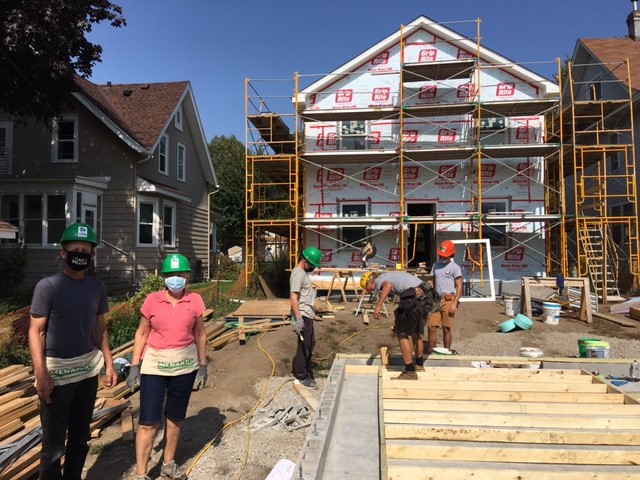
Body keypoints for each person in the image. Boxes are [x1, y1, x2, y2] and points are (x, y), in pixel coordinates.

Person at [29, 222, 118, 480]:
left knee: (80, 438)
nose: (81, 253)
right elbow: (36, 332)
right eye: (75, 248)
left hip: (87, 372)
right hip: (57, 374)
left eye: (86, 249)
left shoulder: (96, 287)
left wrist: (109, 363)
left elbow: (100, 328)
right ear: (63, 253)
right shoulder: (48, 287)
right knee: (54, 446)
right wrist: (41, 374)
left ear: (92, 255)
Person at [127, 253, 208, 480]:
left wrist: (202, 364)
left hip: (184, 365)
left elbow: (200, 333)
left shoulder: (195, 300)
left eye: (179, 274)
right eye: (171, 274)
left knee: (174, 418)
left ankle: (168, 464)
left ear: (187, 276)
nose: (175, 278)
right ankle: (141, 473)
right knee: (148, 422)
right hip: (155, 366)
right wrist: (135, 365)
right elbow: (142, 333)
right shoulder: (152, 300)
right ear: (164, 277)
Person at [361, 270, 427, 380]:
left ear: (370, 282)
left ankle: (410, 372)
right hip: (424, 297)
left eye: (369, 288)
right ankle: (419, 365)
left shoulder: (379, 280)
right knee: (415, 333)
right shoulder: (387, 276)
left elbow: (388, 286)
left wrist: (378, 307)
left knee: (401, 333)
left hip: (412, 296)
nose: (371, 291)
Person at [290, 247, 322, 389]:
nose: (313, 268)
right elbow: (294, 297)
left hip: (307, 314)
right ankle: (301, 376)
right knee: (304, 345)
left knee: (310, 343)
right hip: (303, 315)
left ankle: (305, 372)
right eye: (312, 265)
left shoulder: (302, 273)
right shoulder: (298, 274)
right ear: (305, 261)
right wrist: (298, 318)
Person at [428, 240, 463, 354]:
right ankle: (431, 352)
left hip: (449, 299)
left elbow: (459, 286)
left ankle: (446, 352)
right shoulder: (435, 266)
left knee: (446, 328)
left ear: (451, 255)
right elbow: (433, 281)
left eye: (445, 255)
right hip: (436, 300)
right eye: (441, 255)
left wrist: (455, 303)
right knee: (431, 327)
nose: (442, 257)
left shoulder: (455, 267)